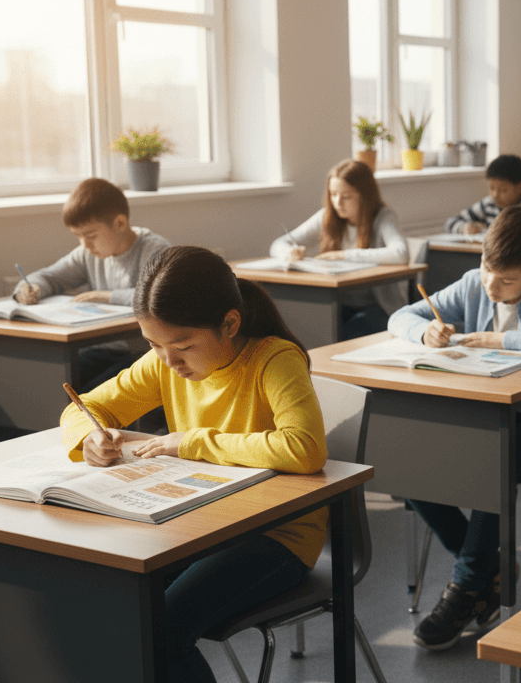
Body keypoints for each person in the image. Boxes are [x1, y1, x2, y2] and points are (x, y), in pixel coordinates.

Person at [60, 246, 327, 683]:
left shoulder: (273, 360)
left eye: (183, 346)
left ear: (230, 324)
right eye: (153, 345)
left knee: (161, 628)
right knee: (114, 603)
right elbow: (85, 405)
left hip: (278, 535)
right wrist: (89, 436)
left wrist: (192, 442)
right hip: (197, 526)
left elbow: (305, 448)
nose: (169, 360)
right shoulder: (164, 362)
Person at [389, 205, 521, 650]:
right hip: (481, 413)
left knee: (491, 464)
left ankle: (466, 587)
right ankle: (491, 569)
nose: (491, 286)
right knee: (403, 461)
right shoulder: (473, 283)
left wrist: (495, 339)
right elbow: (400, 317)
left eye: (507, 281)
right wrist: (425, 334)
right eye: (487, 270)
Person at [13, 177, 172, 392]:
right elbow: (50, 276)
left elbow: (161, 294)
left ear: (120, 223)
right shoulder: (88, 254)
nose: (85, 245)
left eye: (90, 235)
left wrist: (106, 296)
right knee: (45, 386)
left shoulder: (154, 250)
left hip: (142, 355)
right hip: (98, 349)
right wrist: (30, 288)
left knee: (84, 396)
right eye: (78, 236)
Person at [271, 159, 408, 339]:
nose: (338, 202)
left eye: (347, 196)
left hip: (379, 309)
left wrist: (344, 255)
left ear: (365, 195)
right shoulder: (327, 217)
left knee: (340, 334)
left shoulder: (383, 217)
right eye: (333, 194)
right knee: (304, 329)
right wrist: (289, 253)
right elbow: (278, 244)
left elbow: (400, 253)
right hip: (338, 305)